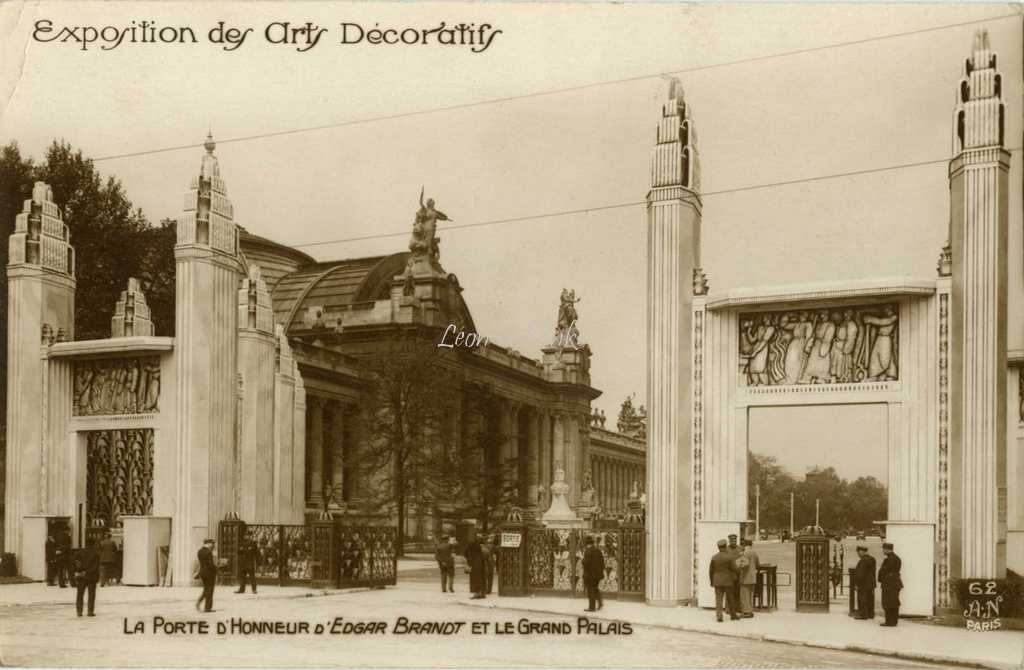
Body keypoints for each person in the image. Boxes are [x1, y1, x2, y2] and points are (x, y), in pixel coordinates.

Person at [710, 539, 740, 622]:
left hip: (717, 581)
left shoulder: (714, 557)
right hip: (728, 581)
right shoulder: (730, 557)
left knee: (718, 599)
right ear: (726, 546)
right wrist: (739, 570)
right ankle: (733, 615)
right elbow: (734, 568)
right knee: (730, 598)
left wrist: (712, 581)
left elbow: (711, 571)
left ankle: (719, 616)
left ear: (718, 547)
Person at [878, 542, 902, 626]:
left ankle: (889, 621)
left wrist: (881, 575)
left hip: (890, 583)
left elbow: (885, 570)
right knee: (893, 602)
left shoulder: (890, 559)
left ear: (888, 549)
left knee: (889, 602)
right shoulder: (895, 558)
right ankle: (893, 621)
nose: (883, 550)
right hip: (893, 583)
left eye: (884, 549)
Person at [73, 540, 100, 617]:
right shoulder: (96, 554)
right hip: (92, 577)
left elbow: (75, 563)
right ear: (93, 545)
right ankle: (90, 611)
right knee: (91, 595)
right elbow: (96, 567)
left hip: (81, 576)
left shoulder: (79, 552)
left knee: (80, 594)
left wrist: (79, 571)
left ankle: (79, 611)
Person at [853, 545, 877, 620]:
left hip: (863, 584)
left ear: (862, 552)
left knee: (862, 599)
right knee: (870, 599)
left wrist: (857, 583)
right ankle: (870, 614)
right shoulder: (872, 559)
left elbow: (860, 574)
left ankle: (863, 615)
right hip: (871, 583)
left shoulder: (863, 560)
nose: (858, 554)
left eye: (858, 552)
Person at [582, 536, 606, 612]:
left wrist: (582, 560)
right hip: (598, 574)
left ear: (586, 544)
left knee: (590, 590)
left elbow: (586, 563)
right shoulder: (598, 550)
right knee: (595, 588)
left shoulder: (587, 551)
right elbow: (602, 563)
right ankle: (600, 602)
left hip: (590, 575)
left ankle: (592, 607)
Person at [737, 539, 759, 617]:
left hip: (745, 577)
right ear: (751, 544)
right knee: (750, 595)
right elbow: (757, 564)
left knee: (744, 596)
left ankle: (746, 612)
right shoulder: (754, 552)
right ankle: (750, 610)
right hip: (753, 577)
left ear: (744, 544)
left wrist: (738, 560)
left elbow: (743, 565)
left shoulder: (744, 553)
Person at [195, 538, 218, 613]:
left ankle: (199, 601)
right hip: (209, 573)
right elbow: (210, 564)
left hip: (202, 572)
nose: (213, 545)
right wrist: (216, 568)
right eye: (212, 543)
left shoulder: (200, 551)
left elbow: (202, 563)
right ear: (208, 543)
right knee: (210, 590)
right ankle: (207, 608)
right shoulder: (208, 552)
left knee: (206, 589)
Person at [464, 533, 486, 599]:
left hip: (473, 564)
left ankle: (476, 594)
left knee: (474, 579)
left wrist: (468, 560)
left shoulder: (471, 545)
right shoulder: (479, 546)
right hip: (480, 564)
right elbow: (483, 556)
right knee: (481, 578)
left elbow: (465, 553)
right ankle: (482, 593)